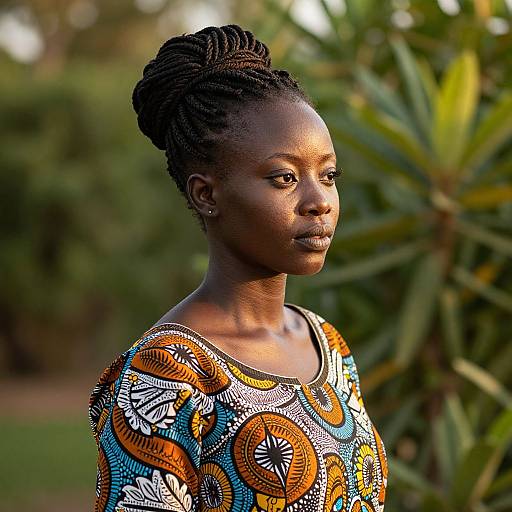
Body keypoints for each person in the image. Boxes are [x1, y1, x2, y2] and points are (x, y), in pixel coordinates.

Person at [88, 23, 387, 512]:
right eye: (284, 178)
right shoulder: (166, 374)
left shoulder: (326, 344)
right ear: (206, 194)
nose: (319, 202)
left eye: (327, 175)